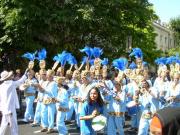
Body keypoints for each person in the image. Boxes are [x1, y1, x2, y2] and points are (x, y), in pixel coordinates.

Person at [0, 69, 28, 135]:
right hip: (10, 108)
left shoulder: (1, 86)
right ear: (7, 77)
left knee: (4, 124)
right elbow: (20, 81)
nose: (11, 76)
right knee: (13, 124)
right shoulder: (11, 84)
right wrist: (25, 73)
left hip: (4, 108)